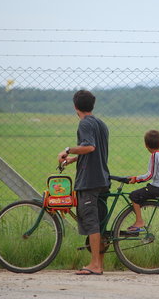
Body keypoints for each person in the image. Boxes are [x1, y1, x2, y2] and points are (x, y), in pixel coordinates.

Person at [57, 90, 110, 276]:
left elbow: (89, 147)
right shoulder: (100, 124)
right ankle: (100, 263)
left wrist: (67, 150)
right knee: (101, 222)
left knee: (91, 221)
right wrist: (72, 160)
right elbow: (94, 153)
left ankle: (94, 265)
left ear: (75, 106)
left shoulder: (85, 124)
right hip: (103, 178)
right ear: (92, 105)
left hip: (89, 181)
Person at [127, 129, 159, 232]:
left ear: (146, 145)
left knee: (134, 196)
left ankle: (139, 221)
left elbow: (150, 175)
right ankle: (140, 219)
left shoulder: (155, 156)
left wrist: (136, 179)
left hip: (157, 188)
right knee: (140, 195)